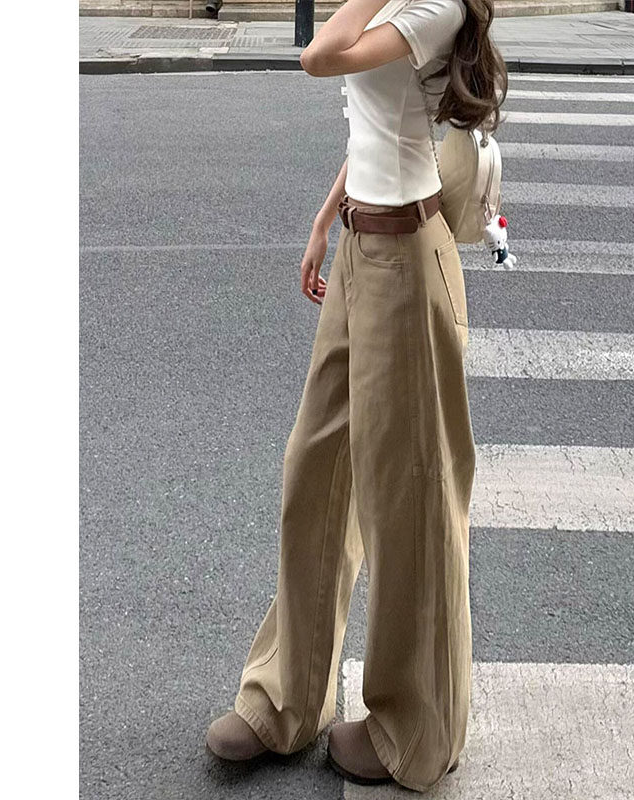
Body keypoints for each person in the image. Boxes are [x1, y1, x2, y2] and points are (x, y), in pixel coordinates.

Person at [205, 0, 506, 792]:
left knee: (411, 503)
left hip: (407, 262)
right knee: (316, 469)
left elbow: (320, 55)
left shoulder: (435, 4)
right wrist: (323, 220)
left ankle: (419, 728)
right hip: (360, 248)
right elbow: (370, 125)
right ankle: (288, 698)